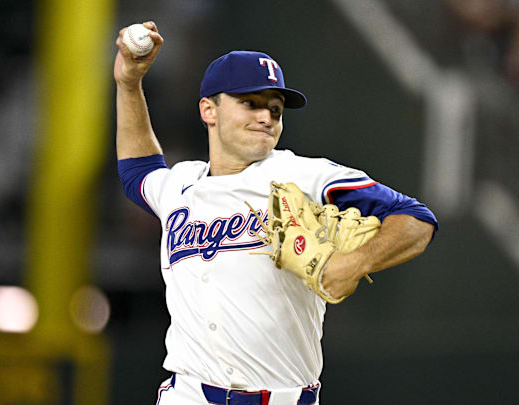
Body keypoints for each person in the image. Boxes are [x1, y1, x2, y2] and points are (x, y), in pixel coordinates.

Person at [115, 21, 438, 405]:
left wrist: (352, 264)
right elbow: (138, 170)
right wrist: (129, 84)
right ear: (209, 110)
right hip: (187, 394)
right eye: (249, 103)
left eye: (275, 108)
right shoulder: (181, 185)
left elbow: (416, 218)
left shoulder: (304, 176)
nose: (266, 117)